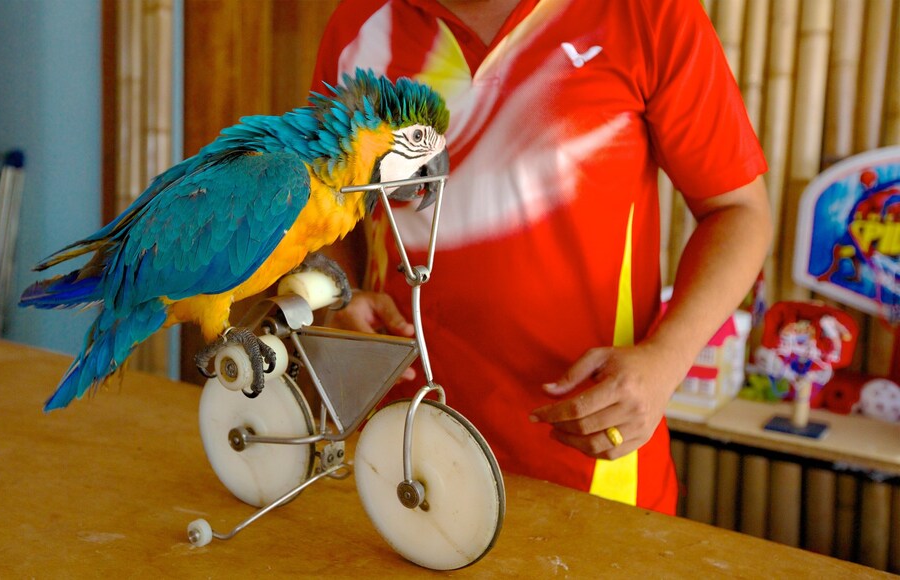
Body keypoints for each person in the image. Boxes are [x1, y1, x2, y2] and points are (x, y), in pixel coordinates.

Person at [311, 0, 772, 515]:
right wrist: (341, 296)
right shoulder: (359, 23)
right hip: (398, 450)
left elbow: (738, 210)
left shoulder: (649, 13)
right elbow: (333, 203)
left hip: (588, 457)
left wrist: (666, 360)